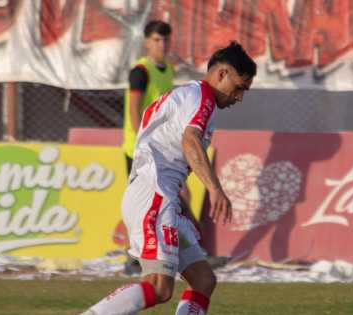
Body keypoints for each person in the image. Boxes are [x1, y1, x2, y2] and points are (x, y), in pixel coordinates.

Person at [80, 41, 257, 315]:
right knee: (159, 286)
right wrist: (214, 188)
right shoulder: (203, 99)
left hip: (162, 197)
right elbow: (190, 141)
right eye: (239, 88)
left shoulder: (190, 96)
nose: (239, 98)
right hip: (154, 195)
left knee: (203, 280)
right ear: (221, 74)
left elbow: (171, 149)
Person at [124, 20, 173, 175]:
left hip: (161, 147)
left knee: (181, 194)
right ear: (146, 43)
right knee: (143, 198)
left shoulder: (169, 69)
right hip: (140, 150)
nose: (162, 45)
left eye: (165, 40)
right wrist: (143, 144)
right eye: (156, 40)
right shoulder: (141, 71)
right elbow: (133, 110)